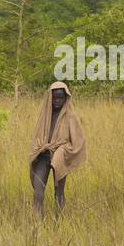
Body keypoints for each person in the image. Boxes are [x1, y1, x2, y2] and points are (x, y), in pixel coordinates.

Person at [29, 82, 86, 218]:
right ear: (50, 98)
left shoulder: (70, 116)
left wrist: (63, 150)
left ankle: (58, 223)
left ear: (66, 98)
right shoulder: (44, 115)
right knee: (38, 191)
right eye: (54, 98)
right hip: (43, 156)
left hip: (60, 157)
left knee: (58, 192)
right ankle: (38, 223)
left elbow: (78, 141)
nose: (57, 101)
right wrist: (41, 147)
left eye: (60, 98)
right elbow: (36, 136)